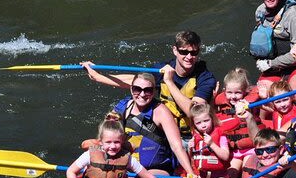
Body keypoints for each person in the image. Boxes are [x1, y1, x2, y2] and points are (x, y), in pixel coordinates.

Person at [81, 30, 217, 140]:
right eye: (183, 52)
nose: (189, 57)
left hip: (192, 136)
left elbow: (194, 112)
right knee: (132, 102)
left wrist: (169, 82)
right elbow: (134, 80)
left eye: (193, 53)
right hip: (163, 132)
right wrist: (99, 76)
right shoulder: (161, 68)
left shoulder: (205, 78)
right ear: (175, 50)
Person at [110, 72, 196, 178]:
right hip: (131, 168)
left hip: (158, 169)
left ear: (154, 91)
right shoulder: (123, 107)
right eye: (137, 89)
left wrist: (190, 172)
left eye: (148, 90)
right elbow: (107, 134)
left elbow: (176, 146)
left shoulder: (161, 111)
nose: (142, 94)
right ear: (131, 88)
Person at [212, 68, 263, 178]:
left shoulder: (251, 103)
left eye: (238, 93)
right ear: (224, 91)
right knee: (231, 174)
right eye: (229, 92)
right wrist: (212, 98)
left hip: (250, 148)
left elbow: (256, 92)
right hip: (234, 150)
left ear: (245, 91)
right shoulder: (220, 103)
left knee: (247, 174)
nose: (233, 96)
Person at [187, 103, 231, 178]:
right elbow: (193, 159)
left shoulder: (220, 135)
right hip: (203, 175)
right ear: (194, 124)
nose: (203, 125)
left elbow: (225, 156)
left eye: (206, 120)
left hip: (220, 175)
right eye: (198, 123)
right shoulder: (195, 136)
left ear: (212, 118)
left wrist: (212, 144)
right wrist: (190, 149)